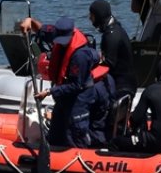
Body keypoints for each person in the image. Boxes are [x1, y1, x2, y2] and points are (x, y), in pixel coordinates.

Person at [20, 16, 112, 148]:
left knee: (74, 134)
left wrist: (49, 91)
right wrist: (30, 21)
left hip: (79, 96)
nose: (62, 43)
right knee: (56, 132)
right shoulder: (56, 33)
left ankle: (80, 157)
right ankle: (52, 153)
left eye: (65, 41)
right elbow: (41, 29)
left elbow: (76, 85)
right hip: (63, 95)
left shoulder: (80, 55)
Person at [88, 0, 136, 101]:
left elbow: (109, 63)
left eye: (92, 16)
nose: (90, 18)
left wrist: (90, 65)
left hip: (122, 86)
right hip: (125, 81)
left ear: (98, 16)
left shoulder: (111, 35)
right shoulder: (115, 28)